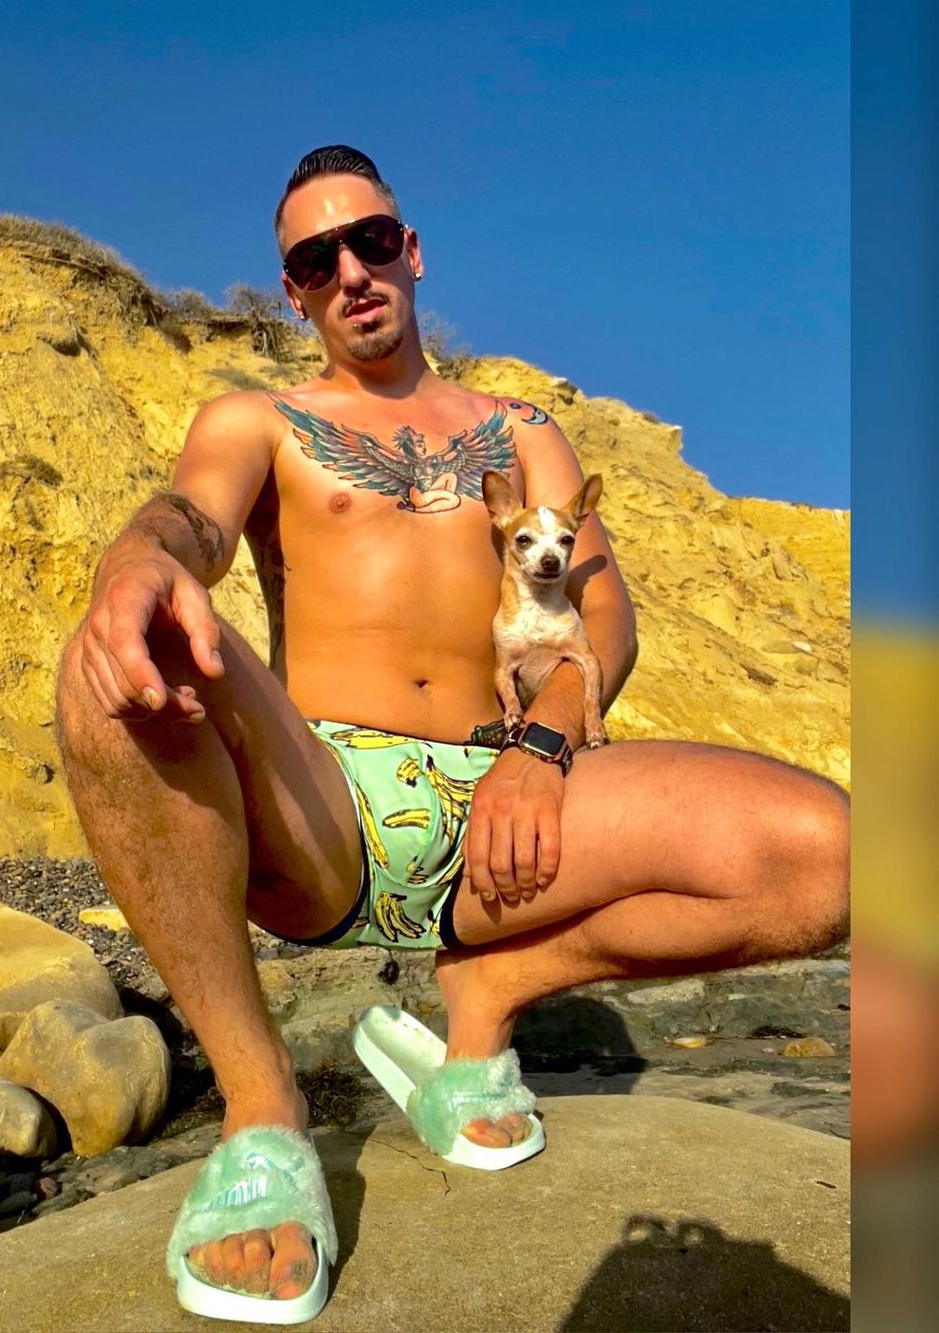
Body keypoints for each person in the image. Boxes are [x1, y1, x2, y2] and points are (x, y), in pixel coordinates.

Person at [54, 145, 849, 1317]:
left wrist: (543, 746)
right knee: (114, 658)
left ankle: (487, 994)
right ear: (295, 293)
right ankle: (262, 1106)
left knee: (828, 859)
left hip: (506, 795)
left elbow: (605, 616)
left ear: (412, 251)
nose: (350, 272)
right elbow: (191, 520)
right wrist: (136, 562)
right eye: (315, 260)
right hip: (325, 805)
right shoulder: (260, 420)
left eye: (371, 241)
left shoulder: (521, 430)